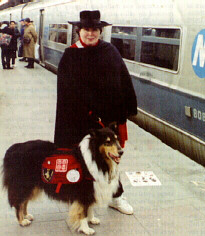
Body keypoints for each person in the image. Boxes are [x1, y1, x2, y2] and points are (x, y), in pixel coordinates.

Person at [54, 10, 137, 214]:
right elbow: (66, 93)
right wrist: (87, 114)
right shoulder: (71, 55)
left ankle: (116, 196)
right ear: (79, 31)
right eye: (86, 30)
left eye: (94, 30)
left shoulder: (109, 50)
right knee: (84, 162)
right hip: (80, 122)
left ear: (100, 32)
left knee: (112, 159)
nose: (90, 34)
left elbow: (124, 79)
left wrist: (126, 108)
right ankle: (83, 199)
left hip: (108, 122)